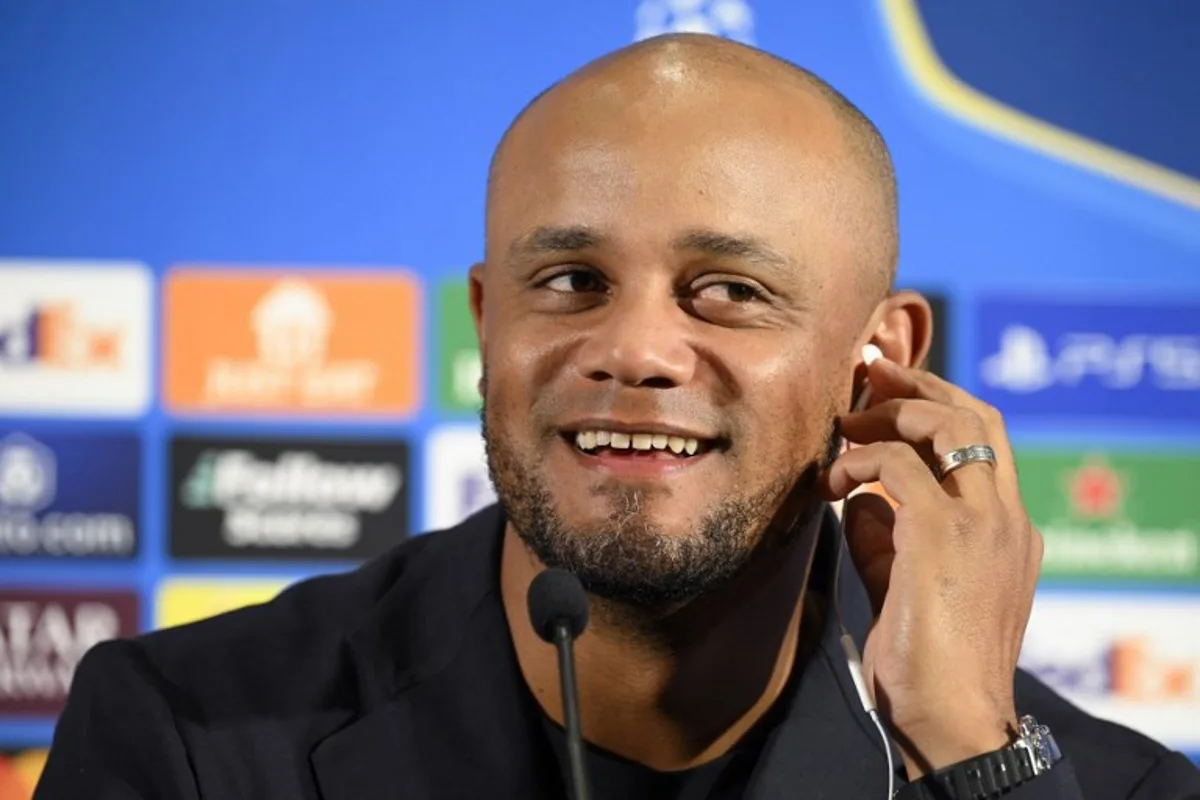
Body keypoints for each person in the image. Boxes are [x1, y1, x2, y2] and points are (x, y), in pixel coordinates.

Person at [36, 33, 1200, 800]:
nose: (634, 347)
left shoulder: (1112, 785)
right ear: (488, 328)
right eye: (570, 281)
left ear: (876, 363)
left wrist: (973, 756)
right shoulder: (188, 740)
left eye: (730, 291)